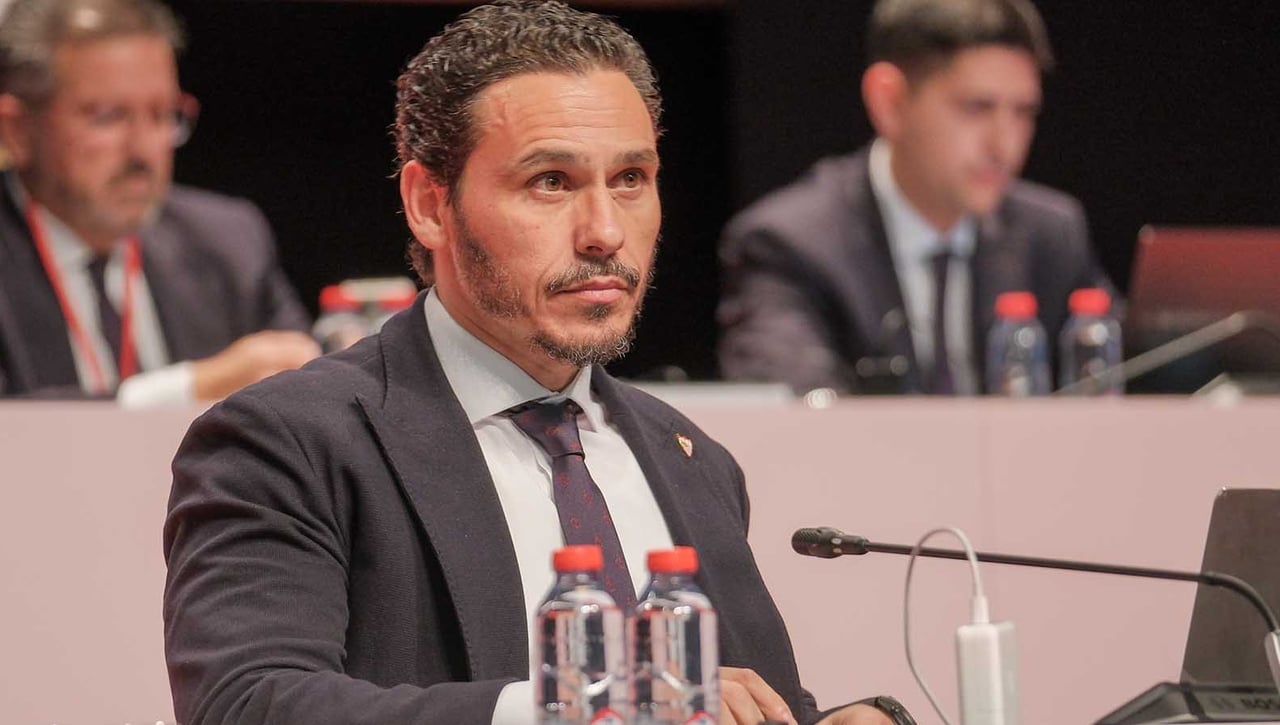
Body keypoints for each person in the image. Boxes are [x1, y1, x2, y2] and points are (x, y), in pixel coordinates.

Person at [162, 2, 907, 724]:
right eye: (551, 181)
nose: (604, 231)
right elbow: (247, 705)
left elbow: (726, 702)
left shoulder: (694, 462)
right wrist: (583, 705)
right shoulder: (288, 443)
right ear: (430, 204)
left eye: (631, 178)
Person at [718, 0, 1112, 396]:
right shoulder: (791, 245)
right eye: (977, 108)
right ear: (889, 102)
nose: (1004, 145)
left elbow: (1121, 376)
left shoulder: (1051, 236)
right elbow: (792, 404)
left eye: (1023, 112)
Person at [0, 0, 319, 405]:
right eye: (107, 116)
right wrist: (188, 390)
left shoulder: (229, 242)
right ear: (17, 129)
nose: (142, 150)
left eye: (162, 114)